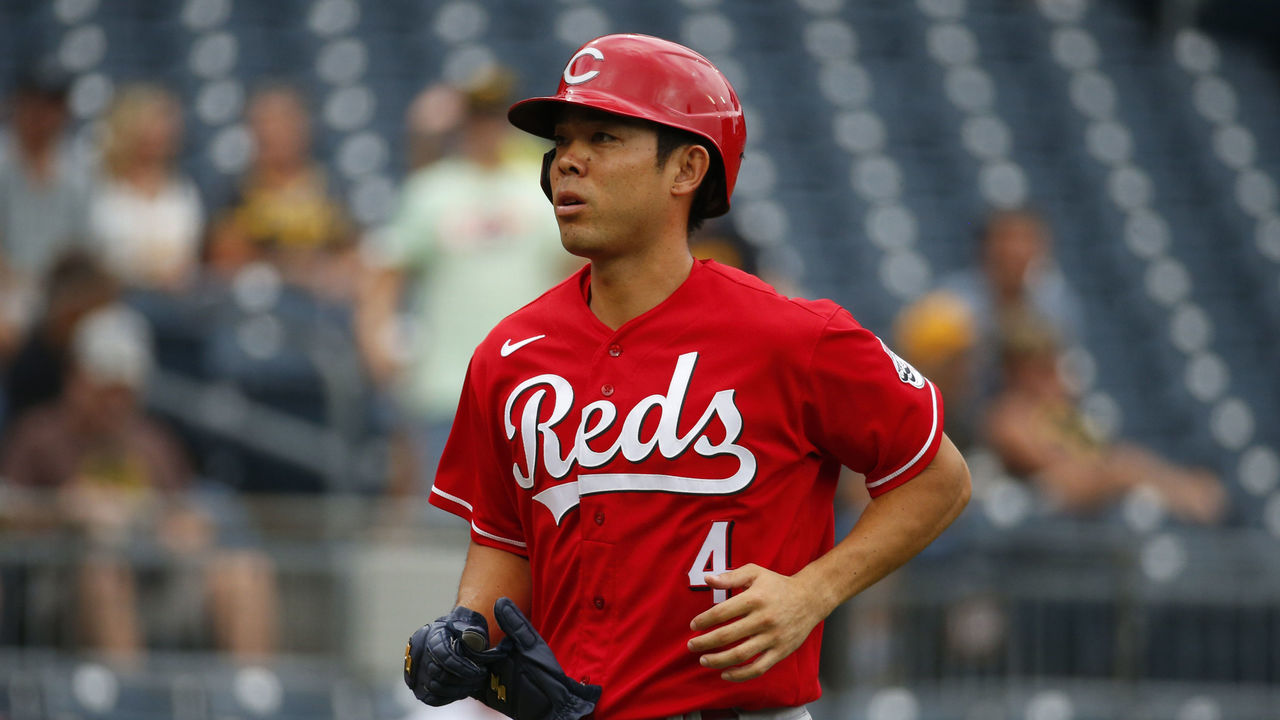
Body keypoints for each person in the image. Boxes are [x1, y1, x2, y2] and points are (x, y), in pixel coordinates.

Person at [405, 34, 971, 719]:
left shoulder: (792, 335)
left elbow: (939, 477)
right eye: (563, 141)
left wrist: (813, 592)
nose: (567, 161)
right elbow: (503, 546)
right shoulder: (509, 351)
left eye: (604, 137)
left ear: (687, 169)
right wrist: (462, 634)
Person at [1, 304, 278, 663]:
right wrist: (64, 509)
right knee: (103, 570)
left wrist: (184, 527)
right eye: (105, 386)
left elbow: (188, 510)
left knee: (245, 569)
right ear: (77, 376)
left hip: (154, 576)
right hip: (63, 588)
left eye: (125, 389)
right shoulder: (38, 433)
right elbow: (7, 512)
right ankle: (129, 700)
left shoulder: (153, 440)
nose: (115, 401)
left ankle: (250, 700)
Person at [358, 68, 572, 496]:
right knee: (442, 523)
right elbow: (384, 271)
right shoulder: (430, 190)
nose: (487, 128)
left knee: (531, 522)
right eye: (478, 116)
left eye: (495, 116)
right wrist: (376, 339)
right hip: (446, 387)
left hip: (533, 389)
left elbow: (571, 271)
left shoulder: (542, 186)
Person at [982, 310, 1226, 525]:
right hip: (1039, 509)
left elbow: (1101, 453)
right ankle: (1182, 492)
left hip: (1082, 502)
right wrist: (1099, 466)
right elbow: (1048, 463)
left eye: (1052, 368)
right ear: (1016, 371)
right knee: (1113, 470)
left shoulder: (1061, 416)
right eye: (1042, 370)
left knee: (1125, 462)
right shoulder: (1007, 414)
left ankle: (1182, 489)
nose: (1053, 379)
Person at [206, 83, 357, 301]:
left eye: (285, 122)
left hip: (320, 302)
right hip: (257, 299)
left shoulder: (330, 187)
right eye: (265, 123)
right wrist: (292, 268)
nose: (275, 132)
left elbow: (350, 252)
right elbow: (225, 259)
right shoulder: (237, 191)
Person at [940, 208, 1085, 399]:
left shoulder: (1054, 303)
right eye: (1007, 239)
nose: (1016, 251)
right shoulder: (951, 304)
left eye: (1027, 240)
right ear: (986, 247)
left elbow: (1063, 376)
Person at [0, 57, 91, 361]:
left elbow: (82, 249)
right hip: (8, 287)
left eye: (52, 105)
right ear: (18, 104)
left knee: (109, 336)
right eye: (35, 104)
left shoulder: (77, 169)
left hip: (58, 290)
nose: (43, 116)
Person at [88, 84, 204, 292]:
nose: (160, 133)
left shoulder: (184, 190)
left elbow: (188, 258)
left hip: (175, 298)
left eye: (165, 124)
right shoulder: (101, 186)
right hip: (115, 295)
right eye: (152, 123)